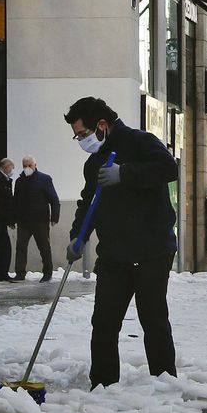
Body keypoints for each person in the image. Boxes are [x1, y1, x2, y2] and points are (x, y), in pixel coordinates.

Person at [64, 96, 178, 389]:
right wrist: (78, 236)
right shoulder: (94, 163)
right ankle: (102, 385)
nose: (81, 140)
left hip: (152, 250)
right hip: (115, 254)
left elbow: (168, 169)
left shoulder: (141, 142)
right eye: (77, 136)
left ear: (101, 125)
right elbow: (87, 202)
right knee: (103, 323)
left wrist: (124, 174)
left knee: (153, 321)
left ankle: (164, 383)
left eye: (83, 134)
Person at [12, 155, 61, 283]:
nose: (27, 168)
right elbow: (16, 201)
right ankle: (20, 272)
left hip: (40, 220)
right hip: (23, 221)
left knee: (44, 246)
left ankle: (47, 272)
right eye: (25, 166)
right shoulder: (19, 181)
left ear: (35, 165)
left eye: (30, 165)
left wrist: (55, 216)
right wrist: (13, 218)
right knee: (21, 246)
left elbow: (54, 199)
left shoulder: (44, 179)